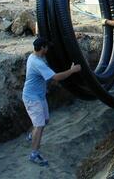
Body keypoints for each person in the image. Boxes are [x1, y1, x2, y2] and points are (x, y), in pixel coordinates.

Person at [22, 37, 81, 166]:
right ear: (42, 48)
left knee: (45, 120)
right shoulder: (37, 63)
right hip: (32, 98)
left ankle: (32, 136)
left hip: (39, 96)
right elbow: (56, 77)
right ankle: (34, 154)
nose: (48, 49)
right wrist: (73, 70)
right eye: (47, 47)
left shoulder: (35, 56)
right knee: (40, 125)